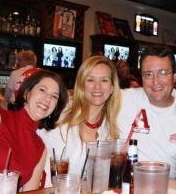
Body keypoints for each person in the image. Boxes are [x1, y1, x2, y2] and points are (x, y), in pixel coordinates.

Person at [38, 56, 121, 186]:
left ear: (111, 87)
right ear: (82, 84)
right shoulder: (59, 112)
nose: (97, 87)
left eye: (104, 80)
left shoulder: (110, 131)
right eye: (90, 80)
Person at [117, 45, 176, 178]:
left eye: (163, 73)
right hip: (123, 189)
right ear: (141, 77)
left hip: (168, 193)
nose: (155, 81)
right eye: (149, 74)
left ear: (175, 76)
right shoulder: (123, 99)